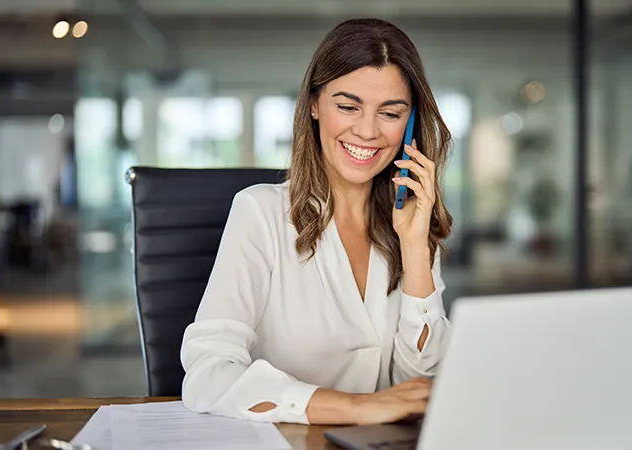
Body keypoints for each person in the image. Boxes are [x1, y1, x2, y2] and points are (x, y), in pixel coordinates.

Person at [180, 18, 454, 426]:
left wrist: (415, 247)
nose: (367, 131)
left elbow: (417, 388)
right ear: (313, 104)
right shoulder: (260, 213)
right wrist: (356, 407)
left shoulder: (410, 223)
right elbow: (208, 373)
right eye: (347, 106)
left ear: (410, 124)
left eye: (391, 113)